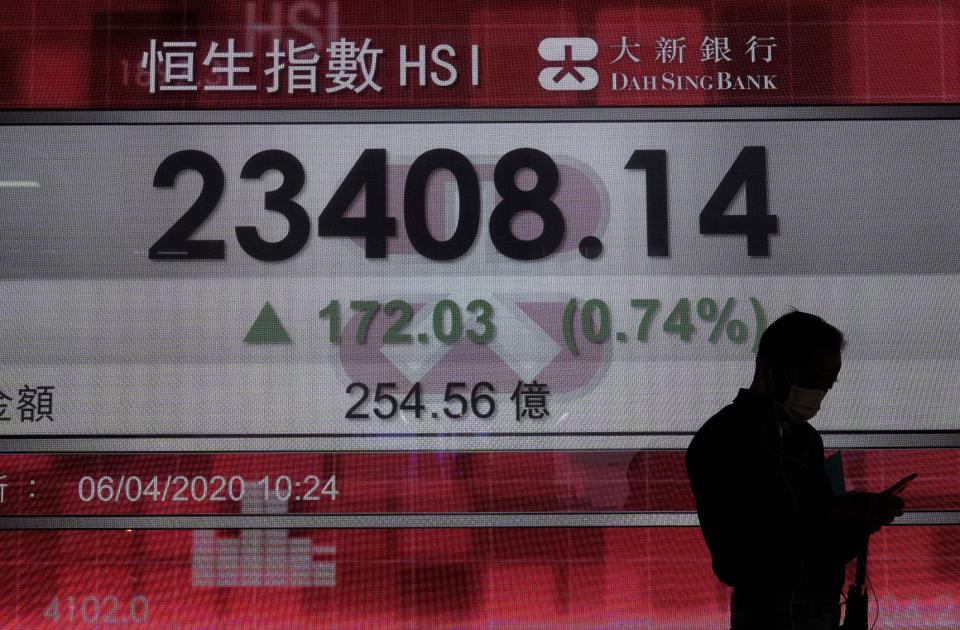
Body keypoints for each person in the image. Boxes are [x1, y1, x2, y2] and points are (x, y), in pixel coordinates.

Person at [685, 310, 905, 630]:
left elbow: (821, 546)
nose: (817, 397)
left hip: (822, 613)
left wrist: (858, 523)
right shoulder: (719, 440)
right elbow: (734, 560)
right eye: (812, 380)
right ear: (770, 369)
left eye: (826, 387)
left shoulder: (806, 439)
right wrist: (834, 514)